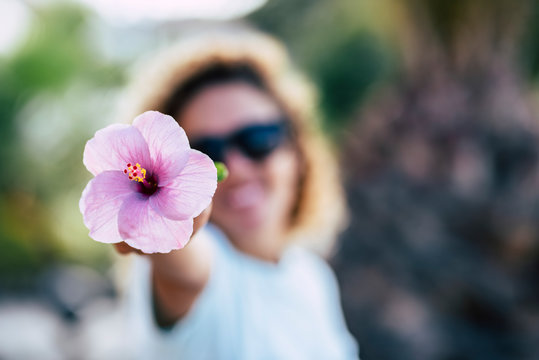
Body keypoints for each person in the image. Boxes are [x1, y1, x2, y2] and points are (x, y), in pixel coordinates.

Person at [114, 25, 359, 360]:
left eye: (257, 139)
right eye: (204, 152)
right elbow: (182, 266)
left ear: (297, 150)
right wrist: (157, 222)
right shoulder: (200, 271)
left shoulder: (311, 277)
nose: (236, 168)